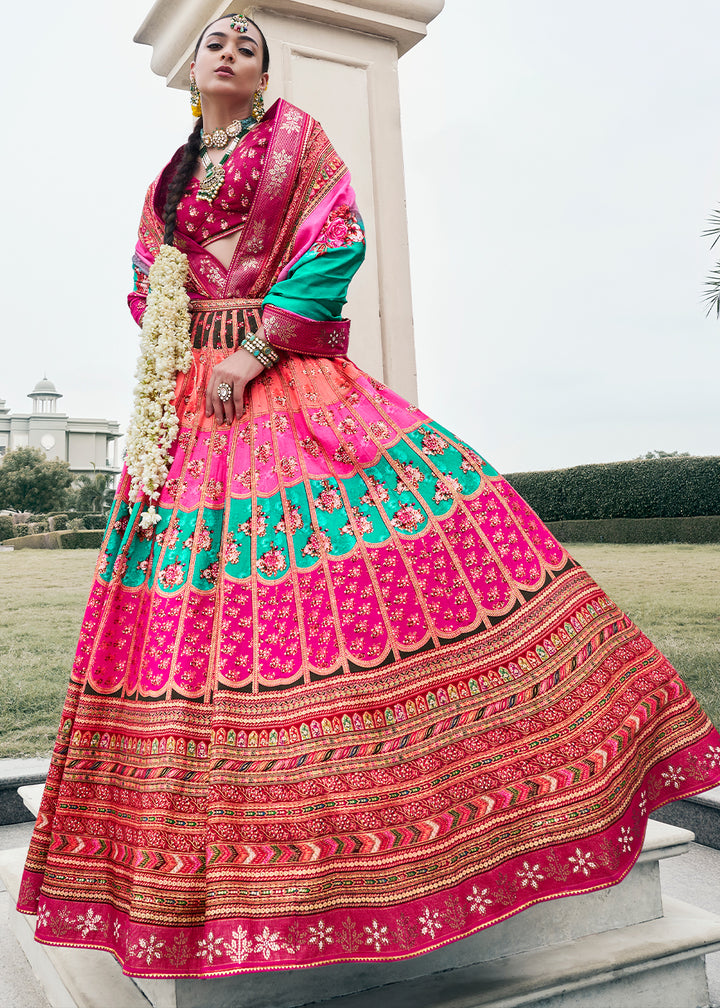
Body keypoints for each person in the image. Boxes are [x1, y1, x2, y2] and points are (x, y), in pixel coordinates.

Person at [17, 12, 720, 979]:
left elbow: (334, 240)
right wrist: (187, 345)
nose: (226, 50)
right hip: (192, 402)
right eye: (215, 41)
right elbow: (147, 283)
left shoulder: (298, 139)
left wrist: (258, 347)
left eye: (247, 45)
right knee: (201, 606)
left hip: (283, 377)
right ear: (193, 69)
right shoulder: (168, 180)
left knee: (364, 566)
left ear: (263, 76)